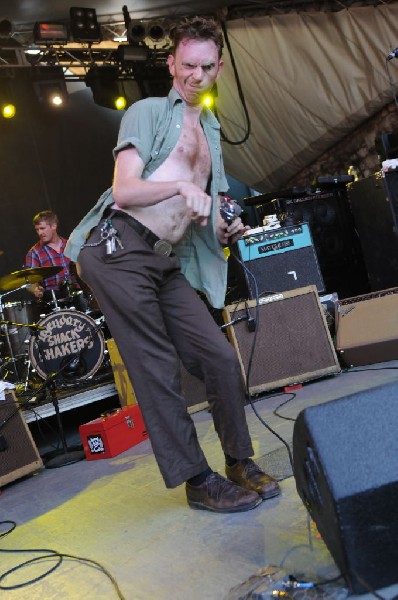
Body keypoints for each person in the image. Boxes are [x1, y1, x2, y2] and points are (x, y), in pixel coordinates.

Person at [65, 16, 280, 512]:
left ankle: (238, 462)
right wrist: (183, 187)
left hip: (163, 260)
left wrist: (228, 224)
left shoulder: (212, 130)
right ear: (171, 63)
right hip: (116, 251)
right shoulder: (146, 111)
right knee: (158, 367)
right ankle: (198, 481)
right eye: (187, 65)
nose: (196, 75)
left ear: (219, 68)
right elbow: (126, 190)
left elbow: (213, 209)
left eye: (206, 66)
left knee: (220, 357)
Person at [25, 210, 77, 301]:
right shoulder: (34, 253)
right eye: (37, 229)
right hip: (53, 298)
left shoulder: (70, 244)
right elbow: (29, 281)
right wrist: (35, 289)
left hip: (77, 293)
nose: (39, 233)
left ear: (54, 226)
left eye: (42, 228)